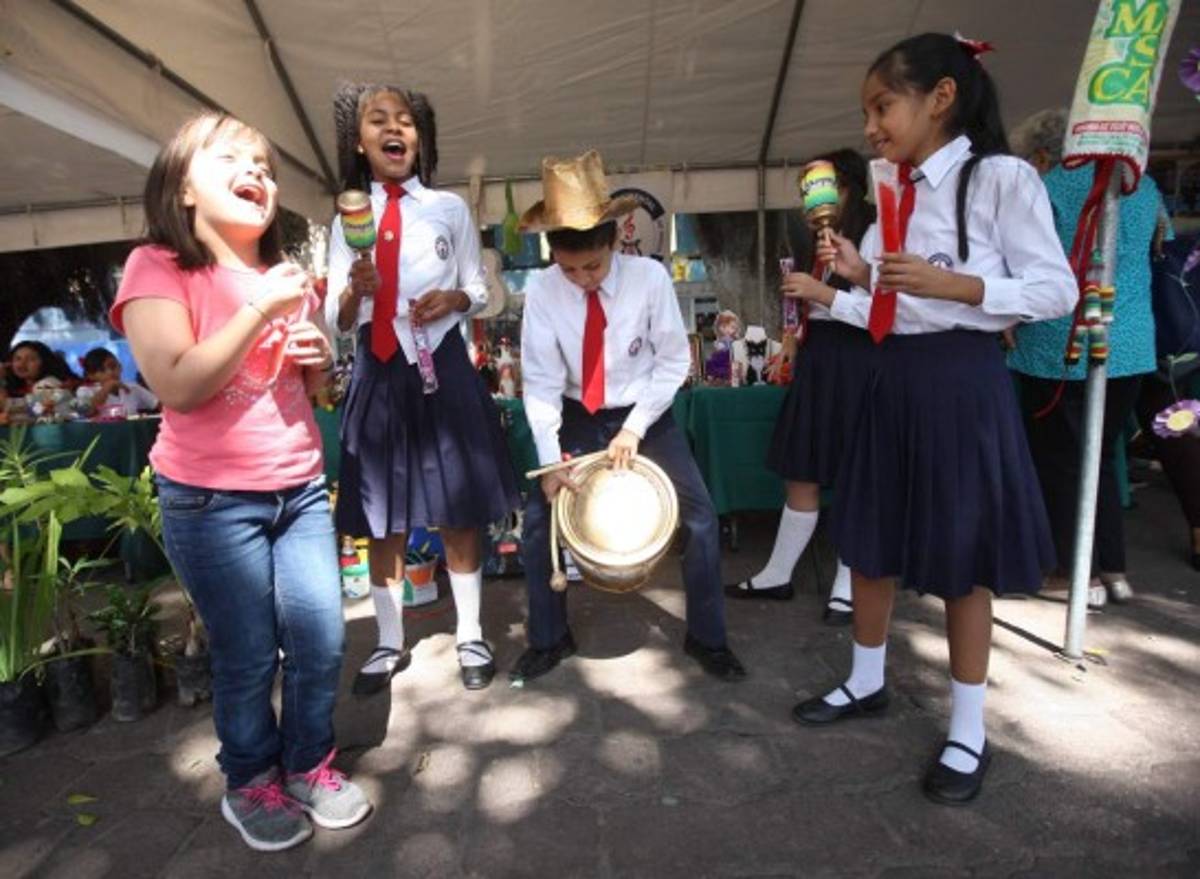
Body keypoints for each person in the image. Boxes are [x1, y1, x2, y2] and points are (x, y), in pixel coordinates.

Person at [781, 33, 1075, 804]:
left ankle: (969, 729)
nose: (871, 126)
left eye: (883, 106)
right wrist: (852, 280)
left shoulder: (1001, 177)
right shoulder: (888, 186)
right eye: (867, 112)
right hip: (892, 375)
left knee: (961, 557)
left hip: (961, 381)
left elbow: (1056, 291)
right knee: (868, 537)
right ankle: (866, 679)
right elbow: (891, 309)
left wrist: (963, 287)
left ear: (940, 97)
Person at [111, 113, 370, 852]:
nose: (256, 171)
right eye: (230, 158)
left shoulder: (286, 279)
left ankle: (309, 763)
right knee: (249, 652)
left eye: (264, 164)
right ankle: (251, 778)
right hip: (210, 500)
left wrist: (317, 362)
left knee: (322, 640)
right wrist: (260, 311)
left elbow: (308, 395)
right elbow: (177, 384)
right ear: (183, 188)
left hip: (300, 488)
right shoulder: (157, 266)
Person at [513, 149, 746, 684]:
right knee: (538, 523)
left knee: (700, 517)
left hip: (647, 412)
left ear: (615, 241)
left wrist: (634, 428)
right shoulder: (543, 291)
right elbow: (542, 382)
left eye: (592, 266)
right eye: (569, 269)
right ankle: (549, 638)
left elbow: (673, 362)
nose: (582, 280)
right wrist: (551, 462)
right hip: (576, 412)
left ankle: (708, 638)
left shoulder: (650, 279)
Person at [327, 83, 519, 695]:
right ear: (359, 142)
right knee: (380, 514)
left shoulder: (449, 209)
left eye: (405, 121)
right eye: (378, 120)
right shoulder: (345, 221)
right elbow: (336, 320)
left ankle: (471, 635)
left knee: (457, 507)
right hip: (377, 374)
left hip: (443, 369)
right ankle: (388, 641)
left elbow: (480, 288)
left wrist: (457, 298)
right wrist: (354, 292)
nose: (394, 129)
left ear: (420, 138)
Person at [1007, 107, 1171, 608]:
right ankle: (1112, 569)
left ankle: (1070, 574)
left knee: (1059, 461)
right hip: (1131, 342)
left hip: (1060, 343)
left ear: (1043, 154)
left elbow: (1022, 264)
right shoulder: (1139, 183)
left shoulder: (1048, 188)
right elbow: (1161, 240)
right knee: (1097, 456)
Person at [727, 149, 876, 625]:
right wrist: (792, 337)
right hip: (820, 358)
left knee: (855, 473)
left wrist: (822, 293)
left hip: (859, 360)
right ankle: (778, 573)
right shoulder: (821, 240)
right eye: (808, 192)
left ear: (847, 188)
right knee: (801, 469)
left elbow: (889, 312)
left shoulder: (875, 232)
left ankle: (848, 585)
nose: (813, 202)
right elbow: (813, 304)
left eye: (822, 189)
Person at [77, 347, 159, 415]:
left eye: (113, 367)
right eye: (102, 370)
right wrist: (107, 387)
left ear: (120, 367)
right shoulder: (85, 391)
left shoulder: (133, 388)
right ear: (91, 375)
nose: (110, 372)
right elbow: (87, 411)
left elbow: (159, 405)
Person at [4, 340, 79, 396]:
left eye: (31, 359)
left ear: (45, 362)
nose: (22, 364)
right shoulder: (12, 387)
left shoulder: (50, 384)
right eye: (18, 359)